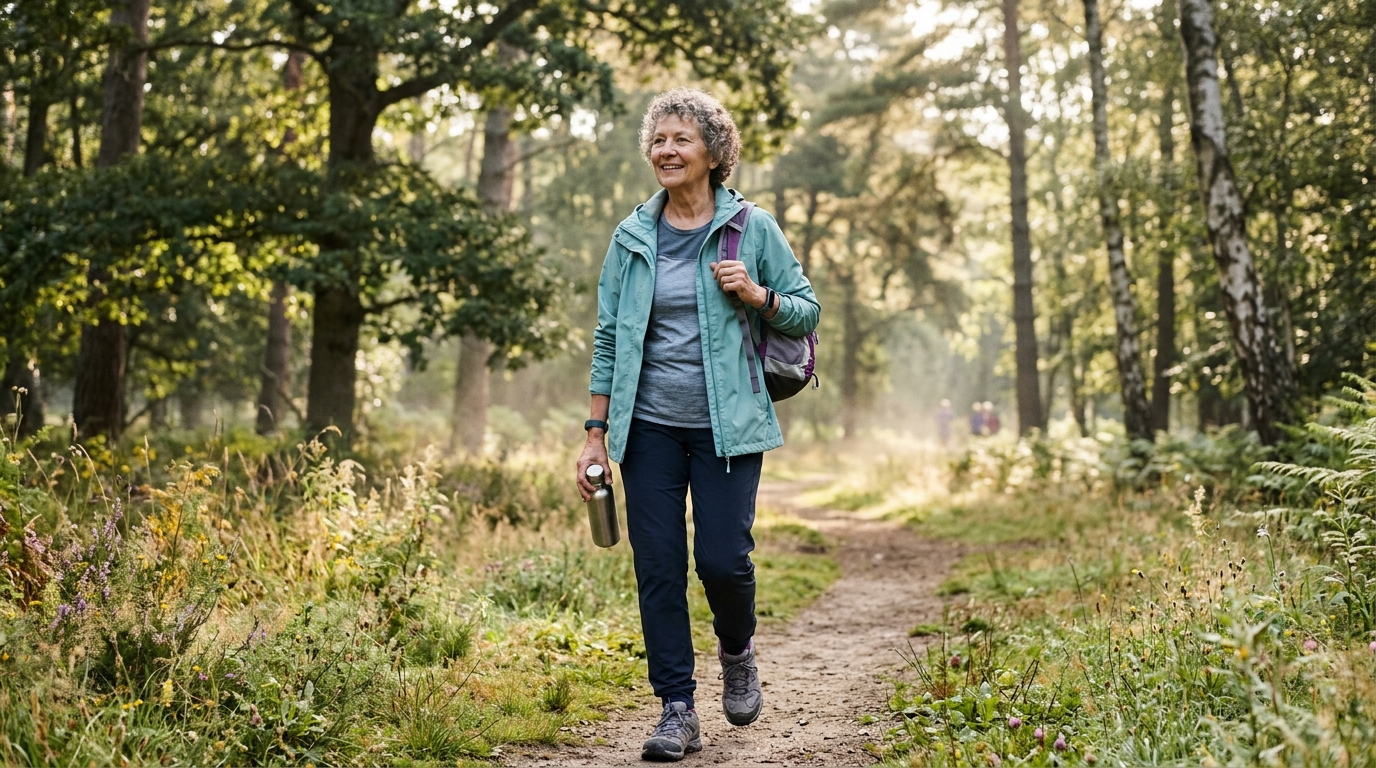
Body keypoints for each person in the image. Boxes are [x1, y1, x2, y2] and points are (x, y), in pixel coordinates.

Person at [575, 88, 820, 762]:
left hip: (728, 426)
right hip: (647, 428)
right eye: (658, 140)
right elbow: (606, 341)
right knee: (658, 567)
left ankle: (737, 651)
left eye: (680, 139)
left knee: (722, 560)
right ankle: (676, 709)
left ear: (714, 153)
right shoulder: (632, 238)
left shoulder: (752, 229)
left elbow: (807, 310)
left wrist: (758, 294)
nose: (665, 151)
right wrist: (594, 435)